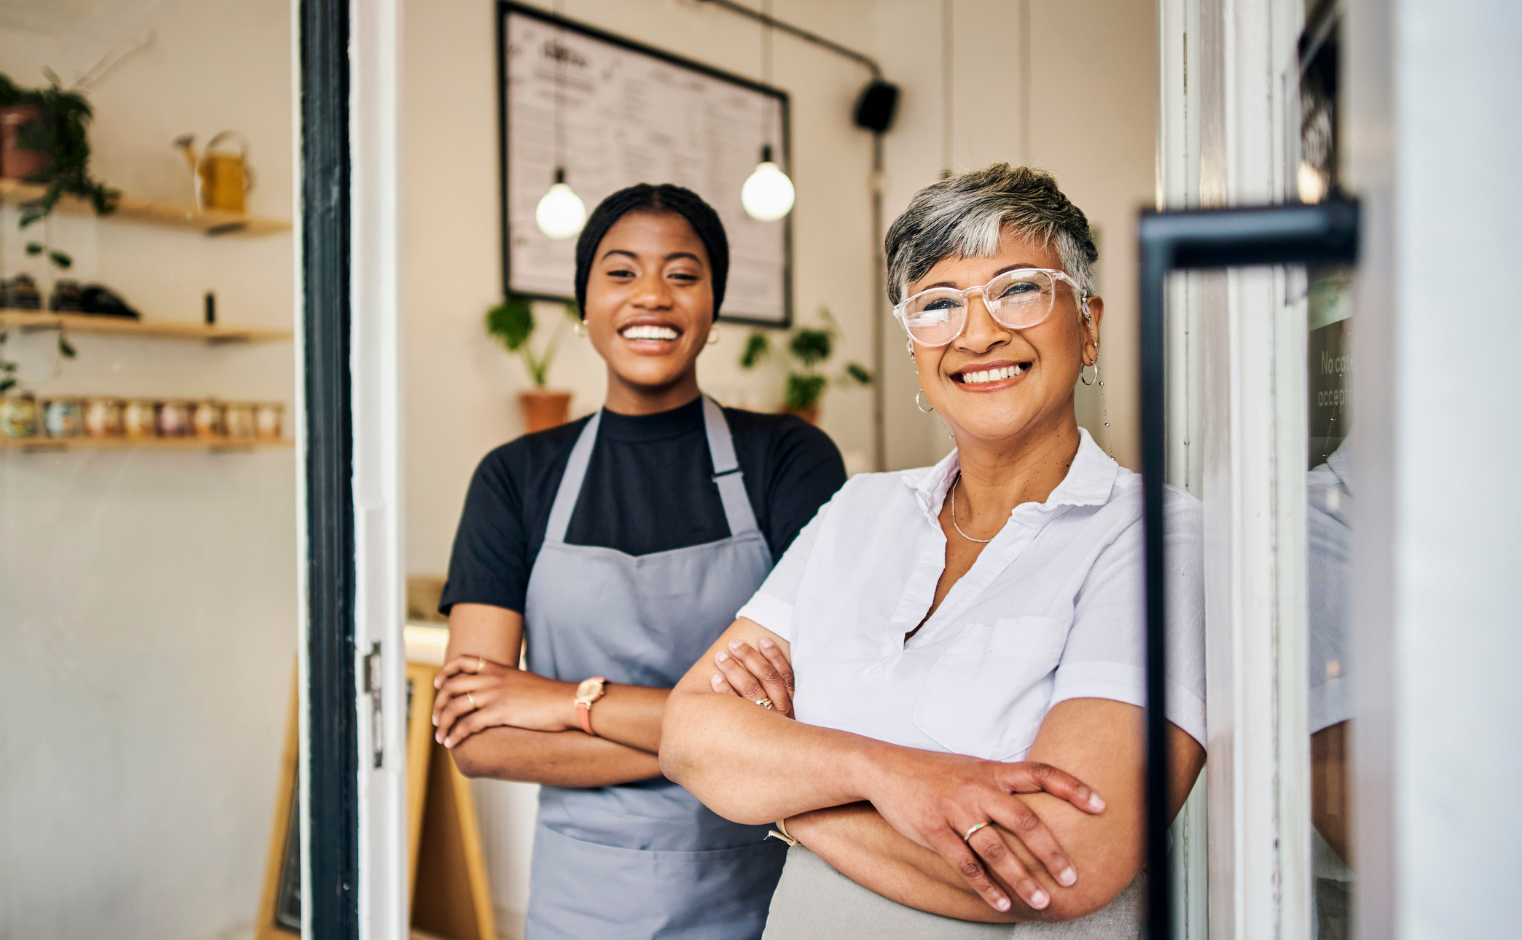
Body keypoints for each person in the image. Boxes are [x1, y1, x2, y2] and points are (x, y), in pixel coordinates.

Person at [662, 164, 1208, 937]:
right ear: (917, 351)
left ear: (1087, 325)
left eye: (1019, 288)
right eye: (939, 304)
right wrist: (884, 775)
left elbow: (1068, 860)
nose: (978, 332)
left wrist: (786, 788)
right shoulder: (860, 510)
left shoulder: (1154, 536)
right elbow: (689, 732)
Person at [431, 183, 847, 940]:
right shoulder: (515, 477)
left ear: (713, 306)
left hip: (761, 892)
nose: (651, 296)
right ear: (584, 304)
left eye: (683, 274)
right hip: (580, 906)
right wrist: (726, 742)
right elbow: (477, 738)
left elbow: (815, 716)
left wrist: (564, 703)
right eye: (621, 273)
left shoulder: (787, 459)